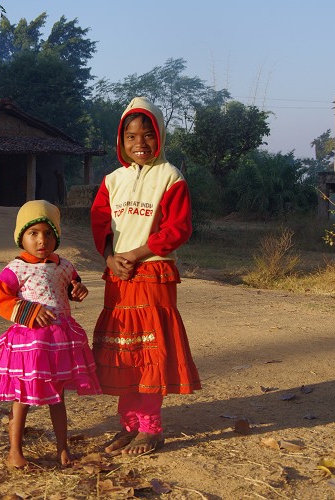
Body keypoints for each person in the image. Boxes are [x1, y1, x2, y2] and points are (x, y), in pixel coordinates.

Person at [90, 97, 201, 456]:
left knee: (149, 351)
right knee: (125, 352)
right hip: (119, 277)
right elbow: (100, 223)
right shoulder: (111, 180)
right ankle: (129, 425)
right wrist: (109, 258)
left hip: (153, 273)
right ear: (120, 142)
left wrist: (135, 255)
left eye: (148, 134)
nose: (140, 143)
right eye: (131, 136)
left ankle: (151, 427)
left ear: (161, 136)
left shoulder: (170, 177)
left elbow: (177, 229)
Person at [0, 200, 101, 468]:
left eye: (48, 233)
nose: (42, 240)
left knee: (58, 395)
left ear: (57, 236)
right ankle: (14, 451)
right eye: (34, 233)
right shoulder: (15, 269)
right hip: (31, 343)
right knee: (22, 397)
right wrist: (28, 311)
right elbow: (1, 302)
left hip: (60, 342)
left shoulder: (64, 265)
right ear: (21, 237)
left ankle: (62, 448)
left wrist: (78, 291)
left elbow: (73, 285)